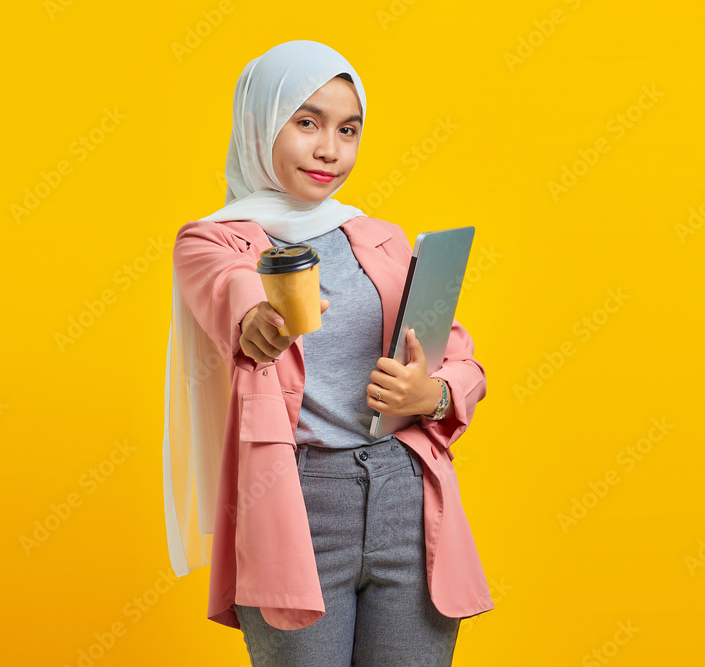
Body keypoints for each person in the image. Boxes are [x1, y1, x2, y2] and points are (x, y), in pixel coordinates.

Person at [163, 40, 493, 666]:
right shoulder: (214, 239)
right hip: (296, 503)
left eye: (348, 129)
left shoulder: (382, 238)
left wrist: (437, 393)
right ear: (262, 122)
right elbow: (235, 293)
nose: (329, 149)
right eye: (307, 123)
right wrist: (261, 321)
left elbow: (461, 358)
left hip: (405, 494)